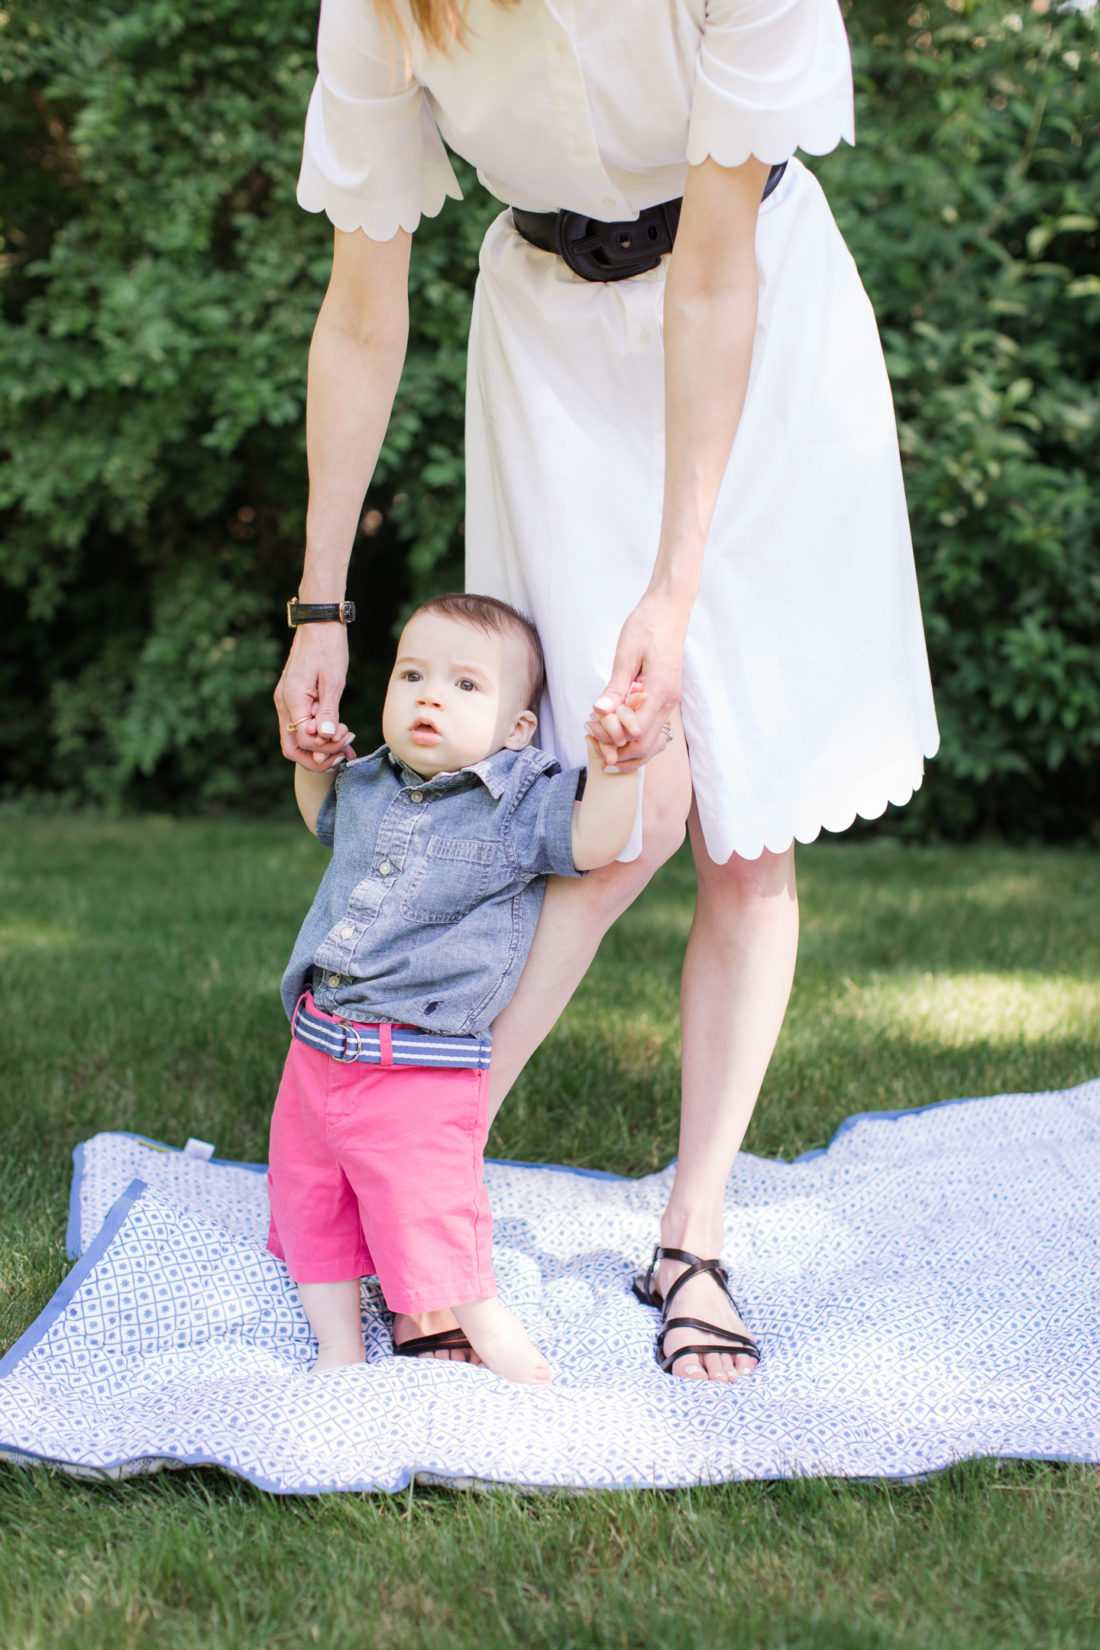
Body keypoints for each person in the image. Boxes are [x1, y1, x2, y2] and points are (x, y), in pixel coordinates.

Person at [274, 0, 940, 1382]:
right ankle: (417, 1182)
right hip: (549, 356)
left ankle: (692, 1236)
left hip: (754, 318)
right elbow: (358, 308)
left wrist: (675, 582)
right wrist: (321, 603)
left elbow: (711, 273)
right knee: (598, 812)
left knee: (742, 832)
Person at [268, 592, 644, 1382]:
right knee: (311, 1206)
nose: (430, 695)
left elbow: (597, 840)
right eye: (412, 674)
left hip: (417, 1067)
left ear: (516, 729)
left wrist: (614, 770)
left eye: (465, 685)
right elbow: (324, 823)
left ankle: (512, 1358)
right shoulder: (369, 781)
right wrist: (313, 770)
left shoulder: (516, 803)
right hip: (316, 1051)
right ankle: (338, 1348)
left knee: (436, 1218)